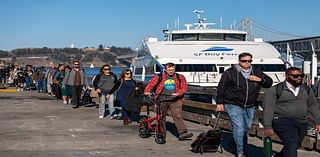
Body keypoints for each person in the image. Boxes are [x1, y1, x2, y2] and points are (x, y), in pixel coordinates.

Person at [215, 52, 273, 157]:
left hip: (250, 104)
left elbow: (269, 82)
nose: (247, 63)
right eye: (244, 61)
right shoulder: (230, 72)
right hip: (233, 103)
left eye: (249, 61)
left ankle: (235, 142)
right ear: (239, 61)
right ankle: (240, 152)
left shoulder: (256, 71)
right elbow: (221, 87)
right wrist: (220, 102)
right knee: (240, 127)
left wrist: (260, 79)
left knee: (246, 128)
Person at [263, 67, 320, 157]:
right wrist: (267, 126)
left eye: (301, 76)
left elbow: (313, 106)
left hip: (301, 121)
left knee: (294, 145)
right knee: (292, 143)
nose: (299, 78)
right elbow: (268, 108)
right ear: (287, 76)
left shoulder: (306, 89)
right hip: (282, 120)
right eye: (295, 76)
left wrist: (317, 122)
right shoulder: (275, 90)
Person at [144, 62, 193, 141]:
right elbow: (150, 85)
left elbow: (184, 88)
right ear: (165, 69)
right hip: (162, 99)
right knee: (161, 117)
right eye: (169, 70)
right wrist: (147, 91)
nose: (171, 71)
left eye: (172, 70)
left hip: (175, 99)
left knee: (177, 115)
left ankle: (183, 133)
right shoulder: (159, 77)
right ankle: (161, 133)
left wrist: (178, 93)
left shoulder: (180, 77)